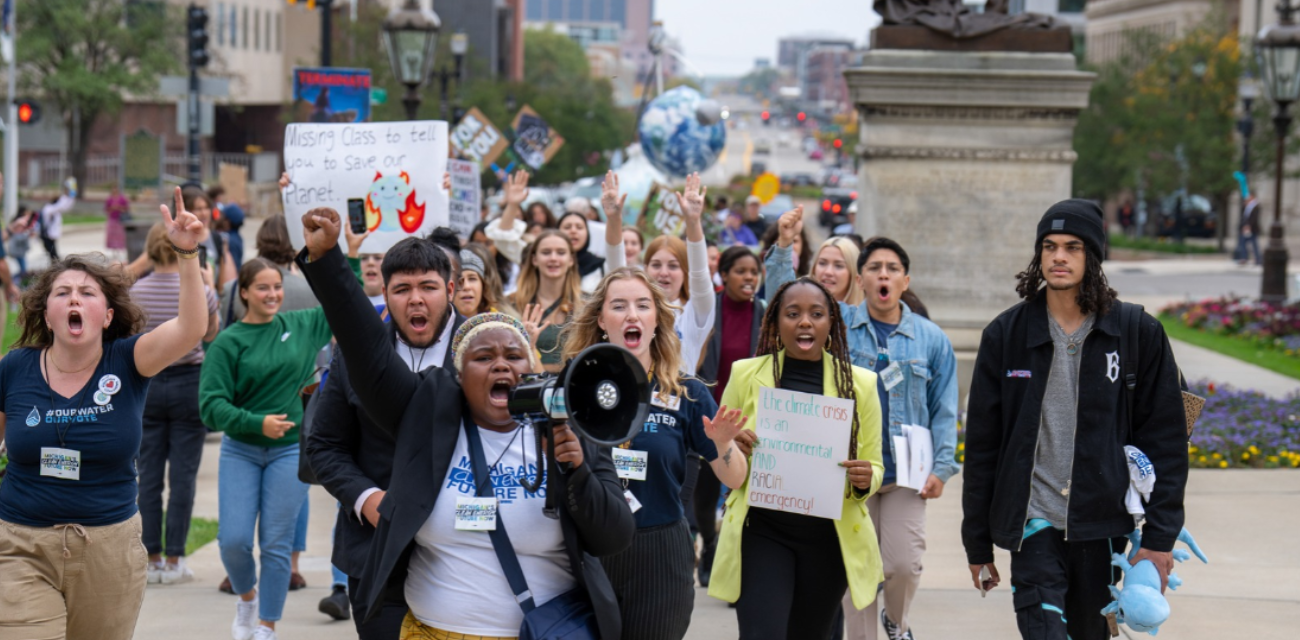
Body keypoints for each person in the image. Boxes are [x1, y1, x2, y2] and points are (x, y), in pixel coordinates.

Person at [295, 207, 635, 639]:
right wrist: (327, 259)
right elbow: (366, 353)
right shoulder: (429, 409)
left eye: (513, 357)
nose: (499, 367)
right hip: (408, 590)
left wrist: (578, 473)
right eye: (483, 358)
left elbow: (613, 535)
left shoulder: (563, 427)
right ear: (458, 376)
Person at [962, 200, 1189, 640]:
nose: (1058, 257)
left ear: (1093, 257)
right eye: (1049, 246)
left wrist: (1159, 540)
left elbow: (1167, 442)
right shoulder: (1006, 335)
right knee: (1043, 629)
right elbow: (984, 447)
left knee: (1092, 632)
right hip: (1034, 524)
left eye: (1072, 247)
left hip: (1102, 525)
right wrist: (978, 544)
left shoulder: (1136, 332)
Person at [0, 187, 210, 639]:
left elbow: (192, 328)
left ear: (108, 315)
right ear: (48, 313)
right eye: (62, 293)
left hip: (108, 549)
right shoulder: (14, 369)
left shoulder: (129, 361)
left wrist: (186, 254)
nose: (74, 299)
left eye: (87, 292)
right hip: (19, 545)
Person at [767, 212, 959, 639]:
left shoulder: (931, 339)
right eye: (874, 268)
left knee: (902, 566)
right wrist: (784, 248)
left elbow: (944, 409)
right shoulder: (836, 329)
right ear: (862, 279)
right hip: (848, 473)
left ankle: (897, 621)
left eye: (892, 268)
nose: (884, 275)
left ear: (905, 281)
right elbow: (780, 303)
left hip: (906, 476)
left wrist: (942, 468)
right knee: (855, 577)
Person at [562, 266, 749, 640]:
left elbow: (736, 477)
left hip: (661, 553)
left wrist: (725, 443)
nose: (632, 315)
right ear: (602, 320)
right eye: (620, 306)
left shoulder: (688, 393)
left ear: (656, 320)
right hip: (588, 551)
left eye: (642, 306)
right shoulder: (572, 388)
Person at [708, 277, 885, 640]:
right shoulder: (745, 374)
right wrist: (728, 446)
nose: (805, 322)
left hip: (828, 539)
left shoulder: (861, 385)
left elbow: (875, 464)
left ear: (830, 324)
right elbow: (725, 468)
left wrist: (867, 478)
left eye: (817, 313)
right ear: (775, 323)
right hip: (763, 531)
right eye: (793, 313)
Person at [307, 236, 466, 638]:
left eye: (428, 287)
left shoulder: (483, 350)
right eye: (402, 289)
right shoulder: (355, 357)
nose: (416, 300)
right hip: (376, 552)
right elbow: (325, 446)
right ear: (384, 293)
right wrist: (368, 499)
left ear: (450, 289)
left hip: (465, 555)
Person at [200, 258, 335, 640]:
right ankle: (247, 598)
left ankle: (266, 626)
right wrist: (256, 423)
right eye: (262, 287)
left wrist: (351, 256)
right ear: (243, 292)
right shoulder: (229, 342)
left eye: (277, 286)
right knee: (234, 541)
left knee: (276, 545)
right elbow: (210, 405)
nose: (273, 294)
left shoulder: (302, 325)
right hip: (241, 449)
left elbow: (345, 299)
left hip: (290, 451)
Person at [132, 223, 222, 586]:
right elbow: (211, 332)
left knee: (148, 475)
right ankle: (176, 557)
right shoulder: (198, 289)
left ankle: (150, 555)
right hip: (189, 381)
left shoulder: (137, 291)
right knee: (183, 476)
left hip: (148, 383)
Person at [695, 245, 765, 585]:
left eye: (754, 272)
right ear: (723, 275)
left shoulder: (765, 313)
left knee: (742, 493)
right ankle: (709, 544)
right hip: (711, 415)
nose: (749, 277)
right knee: (706, 495)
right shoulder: (710, 311)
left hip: (751, 422)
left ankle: (736, 561)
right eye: (741, 271)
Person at [602, 171, 715, 376]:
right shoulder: (633, 312)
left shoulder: (696, 314)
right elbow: (615, 270)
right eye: (656, 265)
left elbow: (700, 273)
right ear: (645, 269)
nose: (663, 273)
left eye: (673, 266)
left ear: (685, 272)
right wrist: (613, 219)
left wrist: (692, 222)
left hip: (675, 400)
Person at [511, 229, 584, 374]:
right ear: (534, 259)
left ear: (571, 260)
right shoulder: (513, 306)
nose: (553, 258)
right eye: (546, 252)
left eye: (561, 252)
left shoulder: (587, 306)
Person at [456, 245, 516, 318]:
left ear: (483, 285)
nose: (466, 286)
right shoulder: (441, 326)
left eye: (472, 279)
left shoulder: (502, 323)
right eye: (459, 280)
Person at [557, 210, 608, 293]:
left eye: (579, 227)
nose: (573, 231)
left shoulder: (600, 265)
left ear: (587, 233)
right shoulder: (548, 263)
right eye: (567, 227)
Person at [210, 185, 247, 269]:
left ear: (228, 222)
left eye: (223, 217)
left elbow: (232, 266)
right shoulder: (237, 237)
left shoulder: (229, 241)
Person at [39, 182, 76, 261]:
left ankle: (54, 269)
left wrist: (71, 196)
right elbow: (61, 206)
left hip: (51, 235)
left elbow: (65, 207)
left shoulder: (54, 210)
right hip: (47, 235)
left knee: (53, 255)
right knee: (54, 255)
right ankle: (55, 270)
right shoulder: (49, 209)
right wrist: (71, 195)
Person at [105, 186, 130, 259]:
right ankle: (113, 250)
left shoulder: (122, 199)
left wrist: (119, 208)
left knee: (119, 235)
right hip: (112, 219)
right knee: (112, 235)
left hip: (120, 219)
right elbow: (106, 209)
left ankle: (119, 250)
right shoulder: (109, 199)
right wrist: (112, 208)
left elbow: (126, 208)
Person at [1238, 194, 1261, 266]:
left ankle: (1257, 259)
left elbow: (1254, 218)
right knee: (1243, 243)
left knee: (1254, 244)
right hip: (1246, 228)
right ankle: (1245, 258)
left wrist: (1248, 226)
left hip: (1252, 229)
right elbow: (1244, 216)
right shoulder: (1247, 206)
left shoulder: (1255, 206)